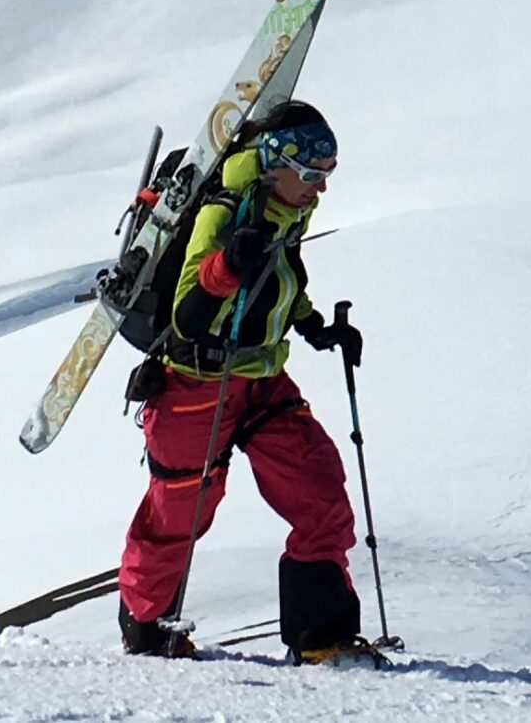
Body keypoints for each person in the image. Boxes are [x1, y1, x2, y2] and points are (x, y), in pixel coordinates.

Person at [116, 100, 366, 662]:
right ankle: (146, 628)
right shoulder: (223, 212)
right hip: (193, 383)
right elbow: (188, 316)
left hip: (261, 377)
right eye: (312, 173)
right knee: (180, 513)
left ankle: (322, 642)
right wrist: (228, 263)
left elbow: (282, 280)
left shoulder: (288, 209)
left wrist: (315, 327)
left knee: (319, 489)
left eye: (328, 173)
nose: (321, 187)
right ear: (278, 163)